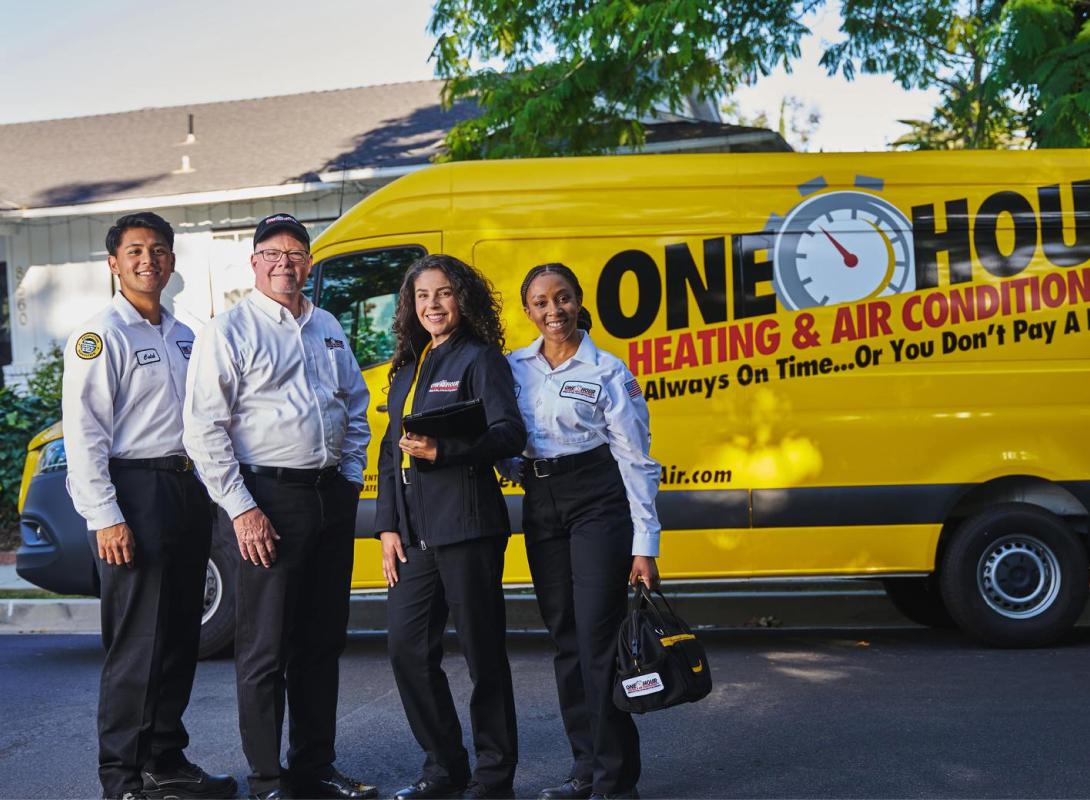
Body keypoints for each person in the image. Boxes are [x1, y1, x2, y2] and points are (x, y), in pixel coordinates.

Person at [182, 212, 374, 800]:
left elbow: (356, 404)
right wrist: (242, 509)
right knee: (266, 646)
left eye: (296, 252)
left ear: (308, 263)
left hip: (328, 499)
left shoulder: (328, 326)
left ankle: (315, 766)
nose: (285, 261)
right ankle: (268, 777)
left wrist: (347, 478)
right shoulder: (231, 330)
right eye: (273, 252)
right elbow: (204, 429)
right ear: (256, 263)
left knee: (321, 641)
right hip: (267, 501)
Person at [62, 212, 237, 800]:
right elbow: (84, 433)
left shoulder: (186, 333)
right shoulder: (99, 336)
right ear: (113, 263)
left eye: (159, 250)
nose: (148, 260)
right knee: (138, 642)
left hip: (187, 491)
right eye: (135, 251)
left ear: (172, 261)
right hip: (133, 493)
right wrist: (105, 516)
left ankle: (166, 757)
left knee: (181, 633)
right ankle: (123, 777)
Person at [506, 263, 661, 800]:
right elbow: (504, 435)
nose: (554, 311)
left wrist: (646, 544)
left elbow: (637, 461)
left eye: (563, 299)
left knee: (597, 639)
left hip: (598, 500)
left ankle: (617, 782)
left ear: (578, 302)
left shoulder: (609, 372)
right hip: (541, 502)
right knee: (565, 638)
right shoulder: (513, 368)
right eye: (542, 302)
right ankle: (585, 769)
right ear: (527, 311)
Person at [375, 254, 526, 800]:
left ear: (462, 299)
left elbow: (510, 433)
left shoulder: (481, 360)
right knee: (407, 651)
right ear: (410, 307)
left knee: (483, 656)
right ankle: (444, 767)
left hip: (467, 527)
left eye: (443, 294)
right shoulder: (409, 367)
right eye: (422, 296)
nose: (432, 305)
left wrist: (446, 450)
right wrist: (388, 527)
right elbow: (391, 452)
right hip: (414, 537)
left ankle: (494, 776)